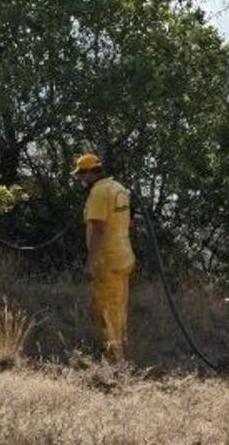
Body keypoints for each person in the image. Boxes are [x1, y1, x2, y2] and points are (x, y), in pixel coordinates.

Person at [73, 152, 135, 361]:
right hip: (124, 257)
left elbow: (99, 229)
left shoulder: (99, 193)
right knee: (119, 310)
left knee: (107, 311)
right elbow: (127, 220)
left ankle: (114, 360)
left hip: (107, 261)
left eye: (81, 174)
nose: (80, 179)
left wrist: (90, 264)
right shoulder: (118, 188)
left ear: (90, 172)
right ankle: (122, 355)